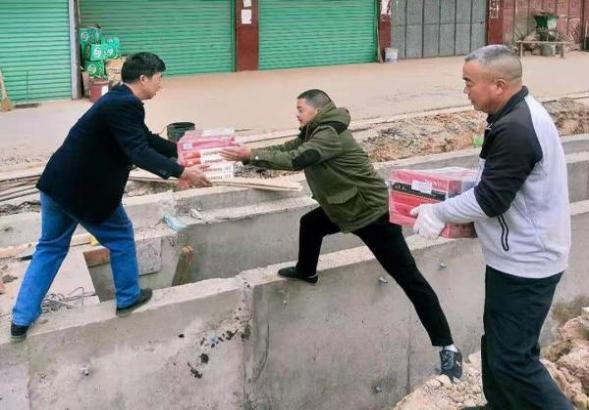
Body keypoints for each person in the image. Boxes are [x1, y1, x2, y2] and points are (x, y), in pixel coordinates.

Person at [221, 89, 462, 380]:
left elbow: (299, 158)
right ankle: (306, 271)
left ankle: (447, 347)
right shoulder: (315, 130)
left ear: (317, 110)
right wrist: (250, 155)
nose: (296, 114)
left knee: (410, 280)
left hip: (373, 216)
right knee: (310, 224)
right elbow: (288, 148)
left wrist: (252, 154)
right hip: (343, 208)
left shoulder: (327, 135)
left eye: (300, 109)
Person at [411, 45, 573, 410]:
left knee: (514, 360)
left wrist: (440, 213)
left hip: (527, 262)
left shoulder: (517, 128)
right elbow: (497, 186)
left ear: (498, 85)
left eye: (469, 83)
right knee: (498, 347)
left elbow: (490, 199)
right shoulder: (511, 115)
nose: (465, 90)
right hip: (514, 256)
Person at [10, 52, 210, 342]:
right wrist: (183, 173)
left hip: (58, 185)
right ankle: (128, 296)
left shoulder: (118, 99)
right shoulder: (125, 104)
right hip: (84, 190)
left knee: (50, 247)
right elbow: (138, 152)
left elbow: (145, 139)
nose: (161, 85)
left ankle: (21, 318)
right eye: (159, 78)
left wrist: (181, 151)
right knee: (120, 236)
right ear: (143, 78)